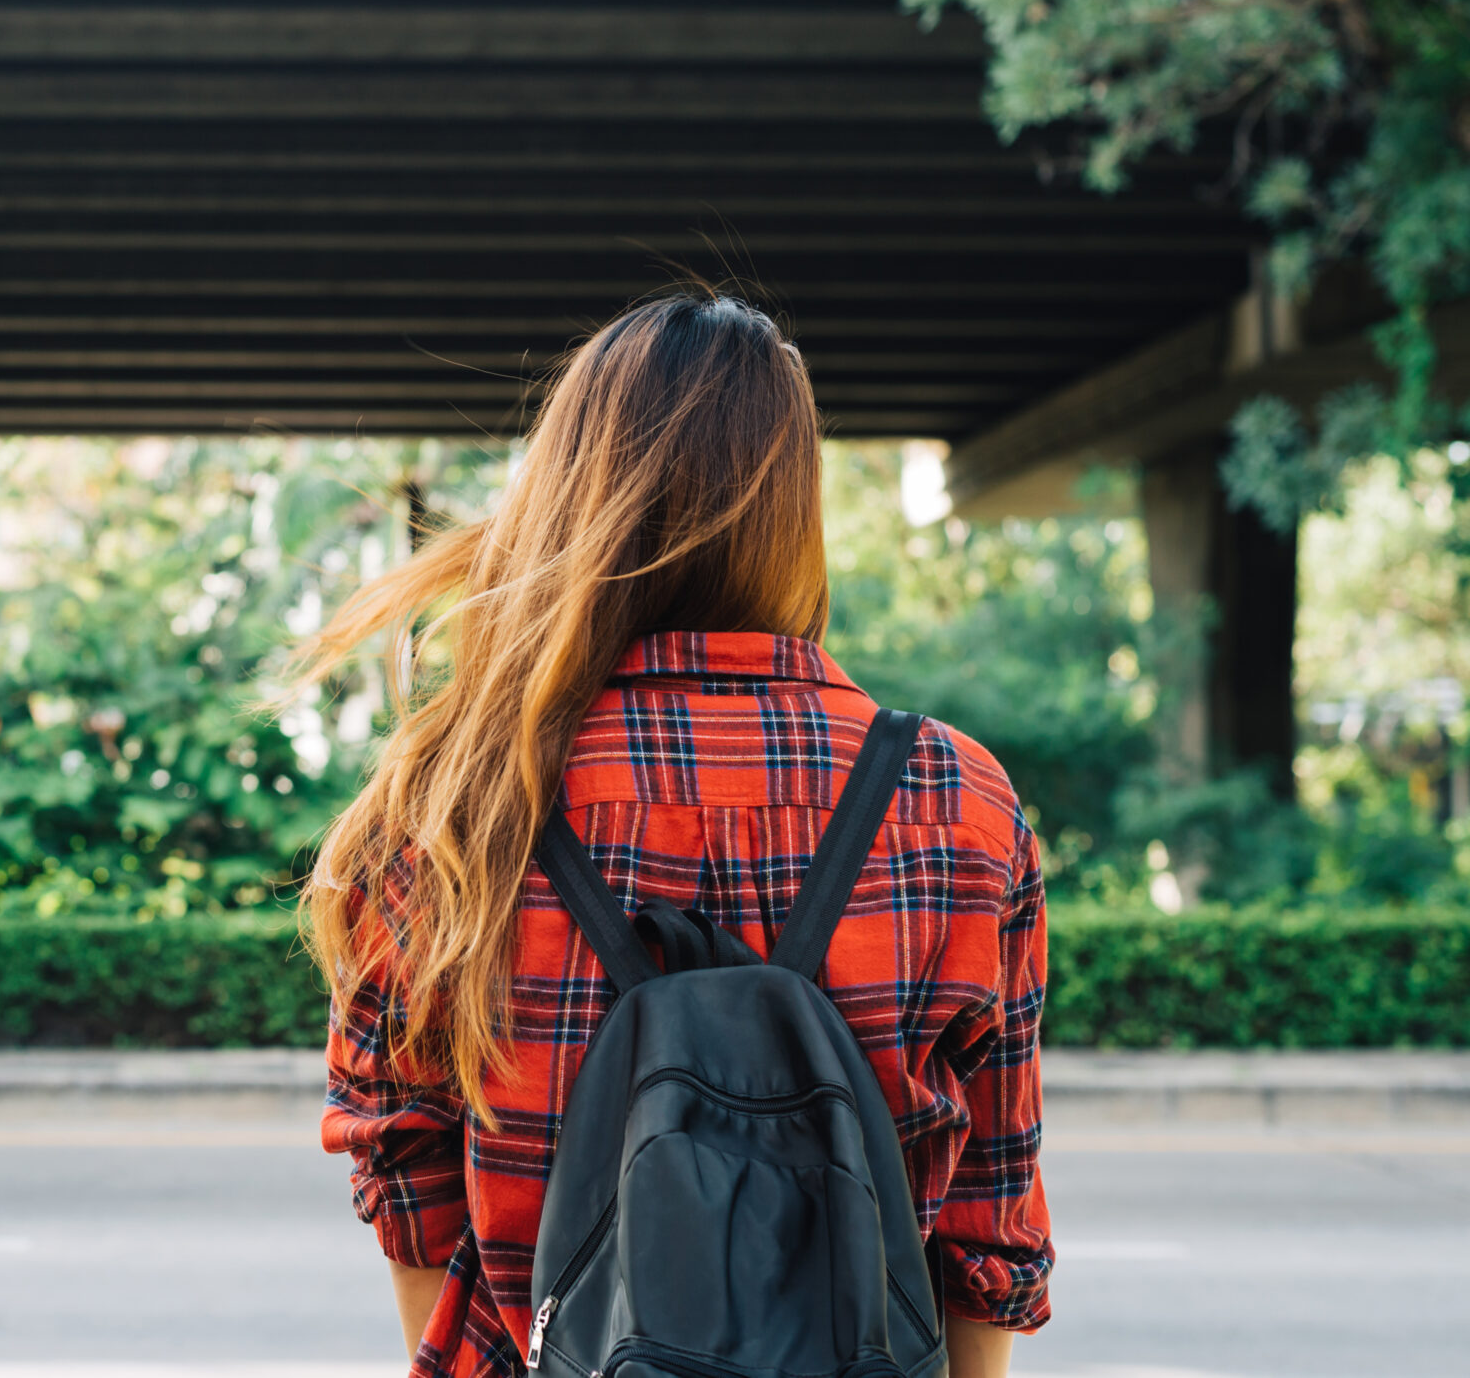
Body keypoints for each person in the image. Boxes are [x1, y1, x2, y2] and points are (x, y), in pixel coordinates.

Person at [291, 291, 1051, 1378]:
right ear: (792, 507)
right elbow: (990, 1227)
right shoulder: (949, 797)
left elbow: (406, 1177)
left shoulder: (450, 800)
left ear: (569, 490)